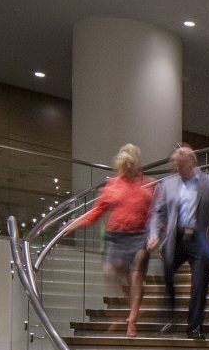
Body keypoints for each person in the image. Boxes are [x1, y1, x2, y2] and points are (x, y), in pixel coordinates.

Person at [61, 143, 155, 337]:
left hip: (139, 236)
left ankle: (132, 320)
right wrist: (74, 224)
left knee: (136, 275)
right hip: (115, 237)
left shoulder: (148, 185)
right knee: (110, 271)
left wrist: (156, 232)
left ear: (136, 165)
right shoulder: (112, 185)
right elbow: (96, 211)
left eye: (131, 166)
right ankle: (128, 306)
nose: (128, 171)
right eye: (124, 167)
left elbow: (156, 212)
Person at [146, 144, 209, 340]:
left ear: (192, 163)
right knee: (167, 273)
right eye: (175, 165)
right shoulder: (167, 185)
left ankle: (194, 327)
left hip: (200, 239)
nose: (177, 169)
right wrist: (153, 234)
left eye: (181, 165)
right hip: (175, 239)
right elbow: (157, 213)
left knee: (199, 284)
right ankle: (169, 317)